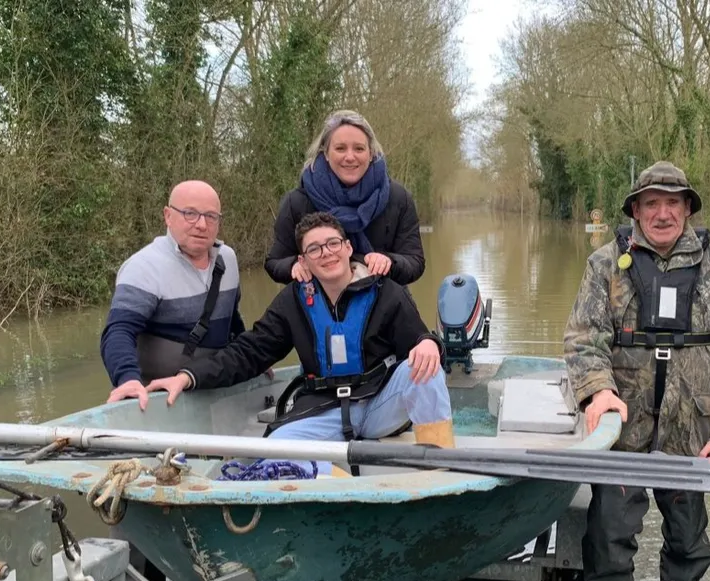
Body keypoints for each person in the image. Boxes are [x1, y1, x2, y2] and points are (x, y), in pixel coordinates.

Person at [562, 162, 710, 581]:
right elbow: (584, 337)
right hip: (621, 430)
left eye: (672, 203)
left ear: (687, 209)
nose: (662, 213)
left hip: (692, 435)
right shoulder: (605, 263)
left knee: (688, 543)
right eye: (651, 204)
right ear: (636, 210)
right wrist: (597, 390)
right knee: (608, 540)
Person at [148, 212, 453, 477]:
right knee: (274, 455)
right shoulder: (293, 301)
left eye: (333, 244)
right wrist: (189, 376)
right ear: (303, 260)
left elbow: (418, 339)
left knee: (426, 366)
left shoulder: (387, 291)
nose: (326, 253)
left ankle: (442, 469)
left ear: (348, 248)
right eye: (314, 249)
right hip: (324, 408)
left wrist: (428, 342)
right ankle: (341, 486)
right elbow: (249, 351)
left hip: (379, 404)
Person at [100, 180, 245, 406]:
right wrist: (126, 378)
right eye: (190, 213)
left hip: (214, 384)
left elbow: (232, 321)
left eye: (211, 216)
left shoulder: (229, 259)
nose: (201, 224)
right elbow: (119, 331)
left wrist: (250, 358)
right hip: (161, 399)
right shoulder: (144, 266)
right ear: (168, 216)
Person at [264, 110, 426, 287]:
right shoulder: (296, 202)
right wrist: (294, 266)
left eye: (359, 148)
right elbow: (274, 262)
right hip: (316, 305)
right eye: (340, 148)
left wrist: (389, 261)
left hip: (386, 303)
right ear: (325, 153)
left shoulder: (398, 198)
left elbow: (415, 261)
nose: (350, 157)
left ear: (371, 153)